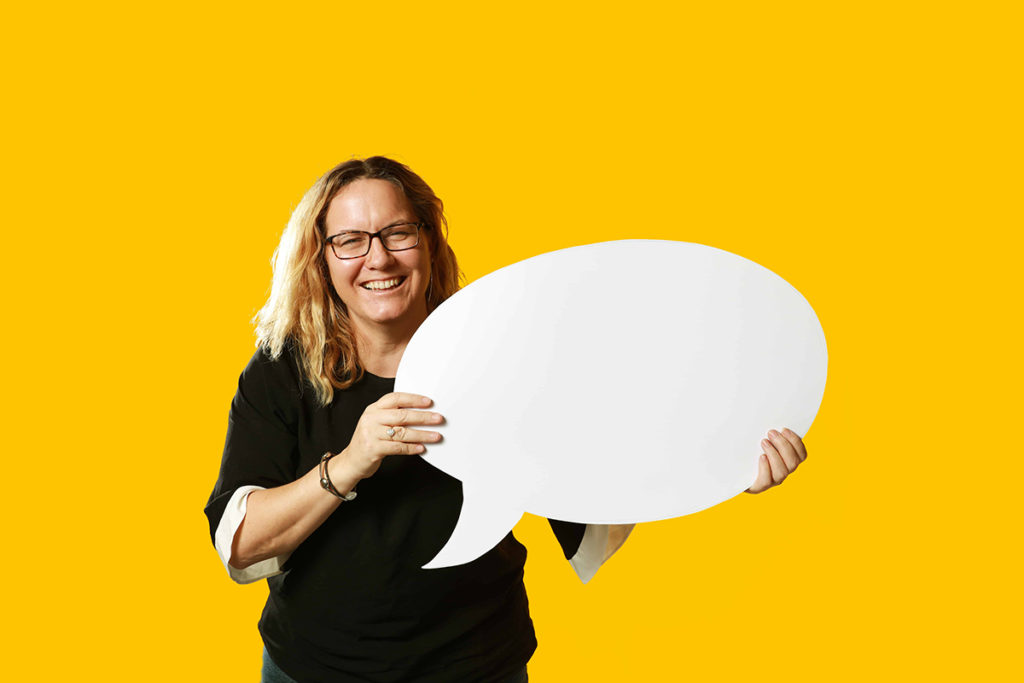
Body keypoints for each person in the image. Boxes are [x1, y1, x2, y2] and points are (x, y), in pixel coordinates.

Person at [204, 156, 808, 683]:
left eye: (397, 233)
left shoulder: (501, 347)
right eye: (351, 240)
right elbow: (241, 545)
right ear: (322, 259)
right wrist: (354, 459)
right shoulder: (283, 369)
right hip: (314, 670)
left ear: (429, 242)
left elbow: (596, 484)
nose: (378, 257)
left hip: (476, 666)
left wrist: (724, 467)